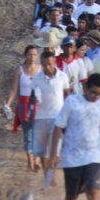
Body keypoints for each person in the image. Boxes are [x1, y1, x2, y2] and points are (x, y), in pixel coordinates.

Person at [49, 73, 100, 200]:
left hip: (94, 156)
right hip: (72, 157)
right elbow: (58, 126)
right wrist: (54, 153)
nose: (96, 96)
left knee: (93, 192)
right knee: (72, 195)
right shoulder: (72, 102)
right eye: (93, 92)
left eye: (99, 93)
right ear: (86, 88)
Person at [32, 49, 71, 184]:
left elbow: (67, 95)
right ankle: (47, 177)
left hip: (57, 118)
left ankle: (51, 172)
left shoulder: (62, 77)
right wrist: (35, 101)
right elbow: (33, 96)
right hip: (41, 117)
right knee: (43, 151)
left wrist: (69, 114)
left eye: (49, 64)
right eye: (44, 65)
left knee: (56, 151)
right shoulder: (37, 77)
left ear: (54, 62)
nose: (47, 67)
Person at [5, 44, 42, 172]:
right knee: (28, 134)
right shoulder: (19, 70)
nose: (32, 57)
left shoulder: (41, 70)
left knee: (38, 133)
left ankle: (36, 159)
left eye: (35, 55)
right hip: (24, 106)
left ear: (38, 56)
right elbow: (14, 89)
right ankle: (30, 161)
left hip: (38, 105)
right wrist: (8, 104)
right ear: (25, 55)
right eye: (30, 54)